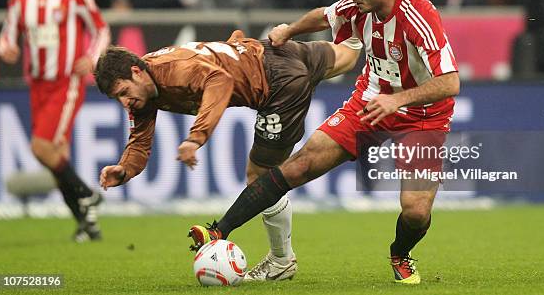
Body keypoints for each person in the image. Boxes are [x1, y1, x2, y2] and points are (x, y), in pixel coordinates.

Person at [185, 0, 460, 285]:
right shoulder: (359, 6)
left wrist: (399, 100)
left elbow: (450, 82)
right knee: (299, 165)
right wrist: (288, 30)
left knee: (416, 211)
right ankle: (217, 231)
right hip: (371, 102)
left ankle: (400, 254)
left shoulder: (419, 16)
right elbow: (325, 14)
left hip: (423, 114)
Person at [95, 30, 359, 281]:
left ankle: (281, 261)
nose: (124, 102)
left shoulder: (174, 71)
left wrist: (195, 137)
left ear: (135, 72)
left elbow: (220, 81)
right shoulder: (143, 88)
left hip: (279, 87)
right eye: (117, 98)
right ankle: (367, 25)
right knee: (349, 51)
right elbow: (140, 142)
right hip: (270, 52)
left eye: (123, 93)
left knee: (260, 177)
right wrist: (125, 169)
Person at [0, 0, 110, 242]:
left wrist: (92, 58)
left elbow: (100, 28)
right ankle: (87, 223)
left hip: (66, 82)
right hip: (37, 85)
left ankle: (88, 195)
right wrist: (6, 48)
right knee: (56, 155)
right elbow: (7, 35)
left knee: (40, 147)